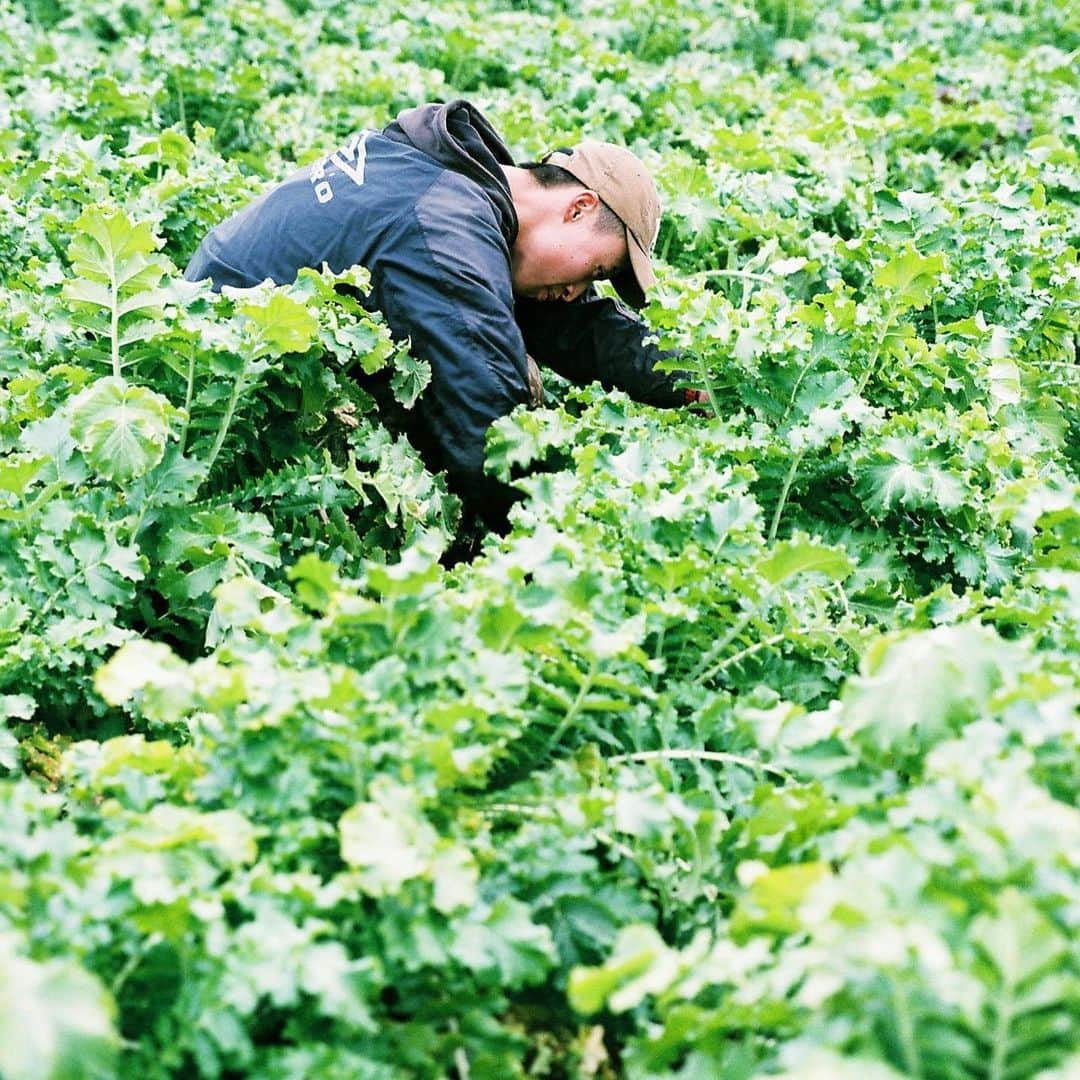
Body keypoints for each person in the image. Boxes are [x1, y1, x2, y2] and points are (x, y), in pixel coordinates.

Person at [185, 99, 699, 522]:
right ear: (578, 208)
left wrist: (697, 377)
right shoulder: (446, 224)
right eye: (596, 272)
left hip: (221, 314)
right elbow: (488, 428)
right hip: (222, 384)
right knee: (510, 383)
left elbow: (575, 326)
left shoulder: (461, 177)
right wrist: (567, 531)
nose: (577, 290)